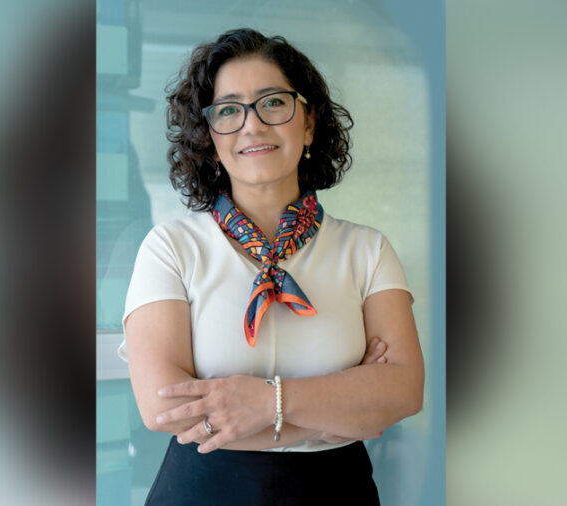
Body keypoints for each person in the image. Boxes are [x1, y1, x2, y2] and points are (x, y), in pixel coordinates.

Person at [119, 28, 424, 505]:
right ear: (209, 137)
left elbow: (403, 391)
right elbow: (164, 408)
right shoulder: (170, 248)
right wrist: (336, 412)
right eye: (228, 110)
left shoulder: (368, 250)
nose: (252, 125)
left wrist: (267, 403)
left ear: (309, 123)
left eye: (273, 103)